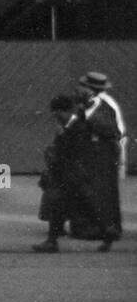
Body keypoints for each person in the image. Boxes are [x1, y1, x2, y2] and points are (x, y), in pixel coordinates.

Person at [67, 73, 124, 250]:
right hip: (89, 155)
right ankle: (87, 227)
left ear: (92, 90)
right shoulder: (84, 106)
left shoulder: (105, 106)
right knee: (87, 190)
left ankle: (105, 229)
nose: (79, 89)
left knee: (102, 192)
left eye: (83, 86)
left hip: (103, 155)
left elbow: (112, 130)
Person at [33, 94, 79, 252]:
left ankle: (108, 236)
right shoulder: (67, 125)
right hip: (61, 174)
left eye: (57, 113)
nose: (55, 117)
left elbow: (72, 150)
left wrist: (62, 137)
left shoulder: (76, 127)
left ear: (65, 111)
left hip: (70, 174)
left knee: (59, 203)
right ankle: (53, 237)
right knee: (57, 204)